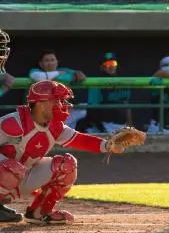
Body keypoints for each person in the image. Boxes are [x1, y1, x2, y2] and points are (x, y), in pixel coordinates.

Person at [0, 80, 133, 224]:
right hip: (7, 175)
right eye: (55, 100)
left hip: (22, 175)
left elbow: (80, 140)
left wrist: (109, 145)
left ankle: (39, 212)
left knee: (67, 165)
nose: (61, 105)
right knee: (11, 168)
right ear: (39, 103)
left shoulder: (55, 126)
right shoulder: (13, 122)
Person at [29, 49, 87, 129]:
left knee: (81, 110)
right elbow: (37, 77)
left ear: (57, 62)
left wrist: (78, 73)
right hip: (42, 111)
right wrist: (58, 74)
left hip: (61, 110)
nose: (50, 63)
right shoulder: (35, 71)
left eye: (52, 60)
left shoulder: (64, 70)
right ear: (41, 64)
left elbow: (80, 75)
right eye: (46, 60)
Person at [83, 53, 132, 134]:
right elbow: (92, 109)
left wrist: (130, 126)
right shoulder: (97, 82)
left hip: (122, 125)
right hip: (106, 125)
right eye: (107, 64)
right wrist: (102, 129)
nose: (110, 66)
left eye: (113, 63)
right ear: (102, 66)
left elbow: (127, 104)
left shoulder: (122, 81)